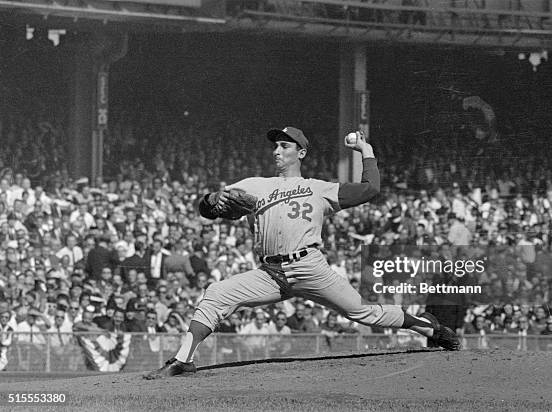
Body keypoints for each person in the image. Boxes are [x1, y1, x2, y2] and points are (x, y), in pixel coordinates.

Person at [144, 127, 459, 379]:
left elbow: (370, 189)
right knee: (216, 293)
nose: (277, 151)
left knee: (363, 313)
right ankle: (183, 360)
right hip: (270, 273)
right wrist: (211, 201)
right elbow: (209, 209)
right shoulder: (255, 185)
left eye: (285, 146)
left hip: (309, 267)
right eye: (276, 146)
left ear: (301, 152)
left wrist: (367, 151)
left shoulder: (318, 188)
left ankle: (427, 326)